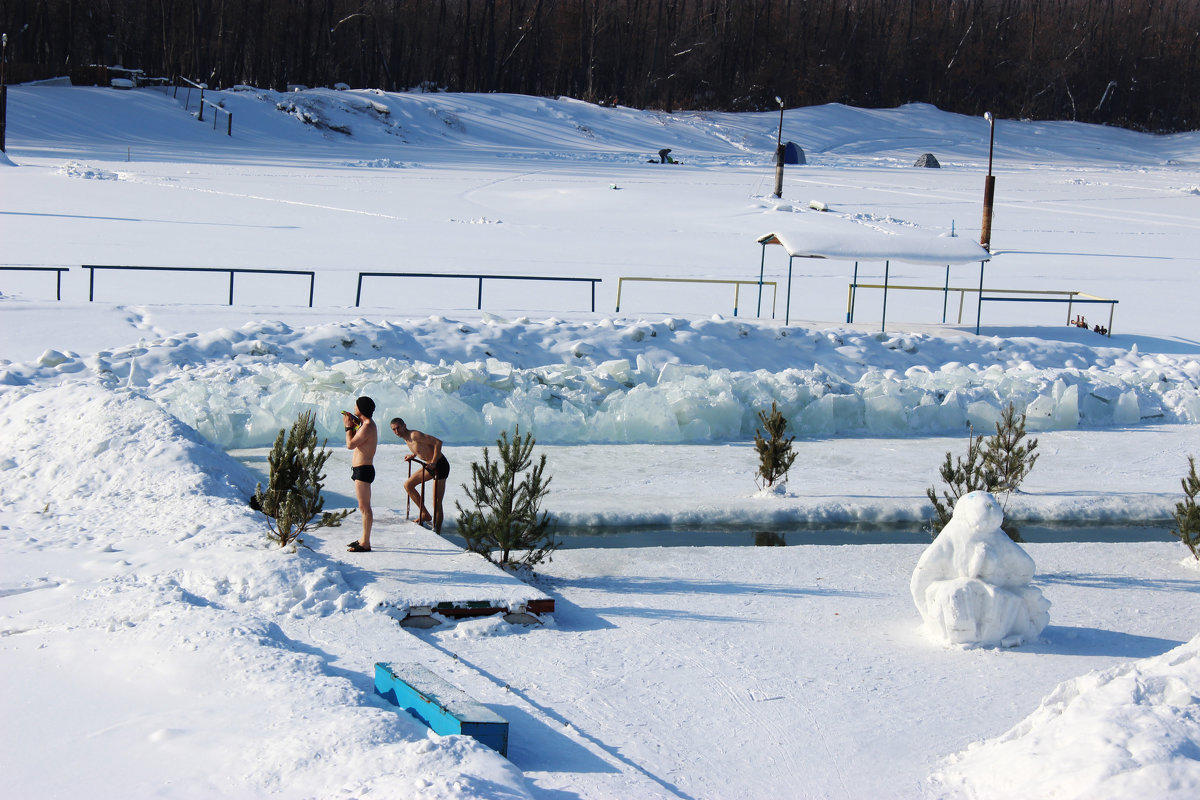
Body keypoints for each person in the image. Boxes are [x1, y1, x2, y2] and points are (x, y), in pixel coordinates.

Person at [391, 417, 449, 532]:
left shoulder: (414, 435)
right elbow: (420, 448)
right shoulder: (406, 438)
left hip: (440, 465)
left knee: (437, 502)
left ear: (404, 426)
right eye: (394, 429)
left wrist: (434, 461)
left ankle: (437, 531)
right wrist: (413, 455)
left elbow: (438, 442)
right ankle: (425, 514)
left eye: (398, 428)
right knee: (408, 485)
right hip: (429, 466)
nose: (397, 431)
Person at [343, 397, 378, 552]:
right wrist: (356, 425)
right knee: (363, 506)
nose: (354, 407)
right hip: (361, 469)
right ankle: (363, 539)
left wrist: (347, 427)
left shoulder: (368, 426)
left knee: (365, 507)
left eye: (356, 405)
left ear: (361, 408)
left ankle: (366, 543)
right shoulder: (365, 425)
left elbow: (350, 444)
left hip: (364, 469)